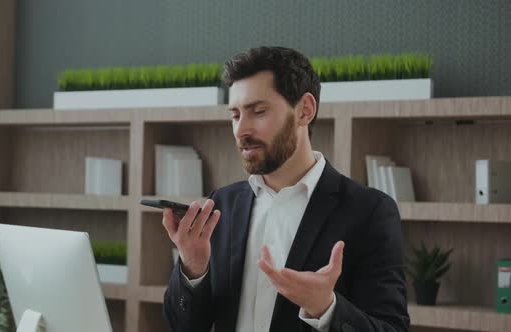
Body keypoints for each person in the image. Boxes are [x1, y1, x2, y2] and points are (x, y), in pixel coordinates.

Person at [161, 46, 409, 332]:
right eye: (235, 115)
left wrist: (326, 308)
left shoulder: (369, 212)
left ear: (305, 110)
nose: (241, 130)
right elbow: (180, 326)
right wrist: (193, 269)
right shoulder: (222, 205)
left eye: (259, 111)